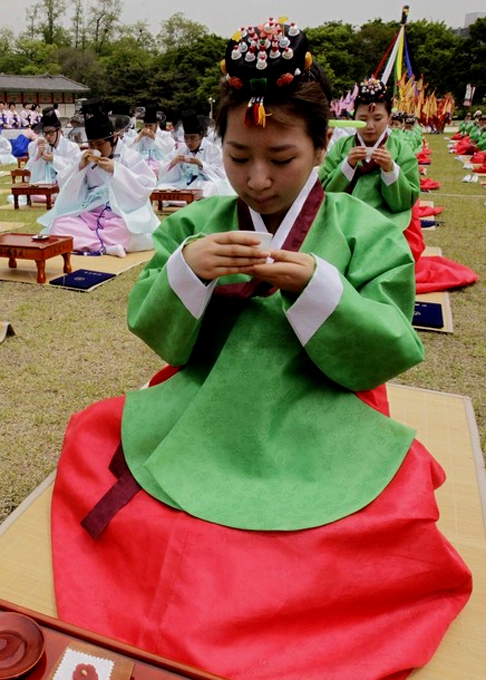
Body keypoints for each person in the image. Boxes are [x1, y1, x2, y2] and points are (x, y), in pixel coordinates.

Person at [51, 17, 471, 680]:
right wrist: (186, 269)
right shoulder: (196, 224)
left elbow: (390, 343)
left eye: (281, 159)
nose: (258, 180)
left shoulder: (362, 231)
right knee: (91, 447)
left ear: (319, 143)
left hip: (319, 406)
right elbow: (153, 323)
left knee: (374, 522)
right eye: (239, 156)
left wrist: (321, 287)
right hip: (206, 401)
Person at [37, 106, 158, 257]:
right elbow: (64, 184)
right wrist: (79, 168)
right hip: (91, 211)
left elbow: (147, 184)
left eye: (100, 144)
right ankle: (104, 247)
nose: (96, 149)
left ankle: (92, 243)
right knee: (59, 225)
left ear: (114, 139)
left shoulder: (129, 156)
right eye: (92, 145)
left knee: (125, 228)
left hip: (120, 212)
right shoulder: (83, 157)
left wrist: (116, 170)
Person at [319, 78, 420, 234]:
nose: (370, 126)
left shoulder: (401, 149)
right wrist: (347, 165)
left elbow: (405, 201)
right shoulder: (341, 147)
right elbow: (323, 190)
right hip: (342, 217)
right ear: (354, 118)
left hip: (385, 220)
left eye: (378, 119)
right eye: (363, 119)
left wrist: (390, 170)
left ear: (389, 118)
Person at [157, 108, 233, 196]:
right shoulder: (182, 150)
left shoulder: (212, 149)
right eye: (186, 138)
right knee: (161, 187)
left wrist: (201, 164)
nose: (189, 142)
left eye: (193, 138)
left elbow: (221, 173)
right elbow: (163, 168)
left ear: (201, 135)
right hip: (183, 182)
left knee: (209, 188)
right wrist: (174, 162)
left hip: (203, 182)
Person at [26, 107, 81, 185]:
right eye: (45, 133)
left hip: (66, 186)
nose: (48, 136)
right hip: (47, 183)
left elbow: (75, 169)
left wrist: (54, 159)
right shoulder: (44, 147)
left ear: (59, 130)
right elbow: (33, 173)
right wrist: (38, 156)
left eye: (51, 132)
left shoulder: (71, 147)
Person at [129, 106, 175, 178]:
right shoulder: (142, 135)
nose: (148, 128)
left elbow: (169, 148)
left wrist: (154, 137)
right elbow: (133, 151)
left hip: (159, 160)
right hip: (144, 160)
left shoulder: (164, 135)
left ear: (156, 124)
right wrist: (140, 136)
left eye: (151, 126)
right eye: (146, 126)